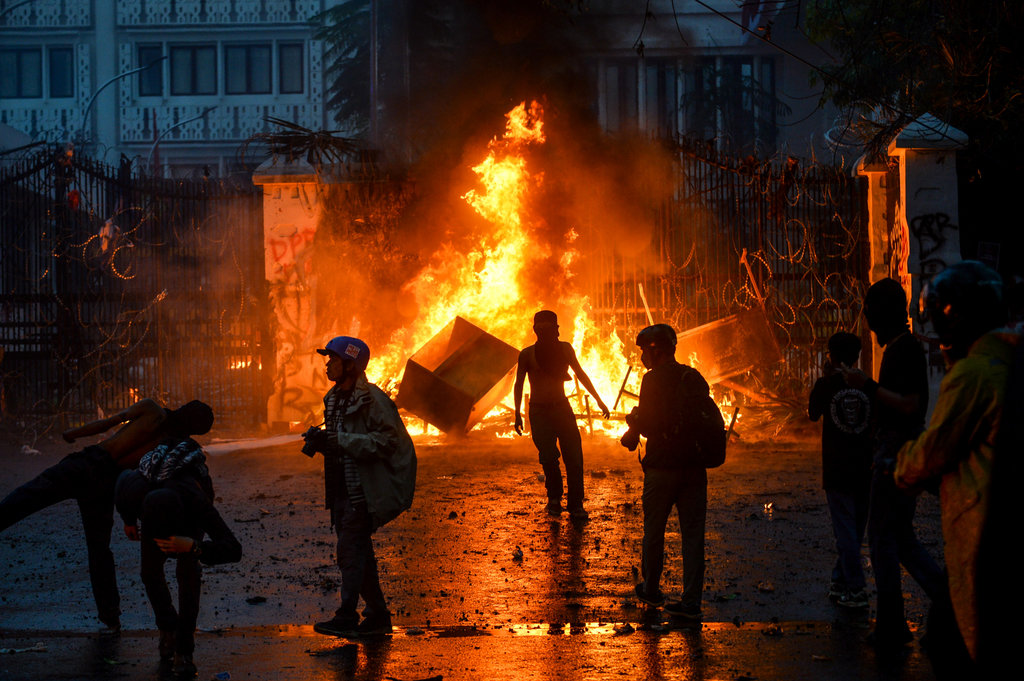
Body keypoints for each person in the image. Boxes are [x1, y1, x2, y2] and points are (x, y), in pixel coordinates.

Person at [0, 398, 214, 632]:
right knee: (99, 547)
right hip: (107, 483)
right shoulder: (172, 448)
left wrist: (73, 432)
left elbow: (107, 423)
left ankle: (111, 615)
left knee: (25, 498)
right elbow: (143, 480)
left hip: (86, 463)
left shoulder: (152, 410)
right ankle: (110, 617)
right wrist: (128, 518)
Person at [895, 261, 1016, 665]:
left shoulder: (973, 375)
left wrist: (901, 466)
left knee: (954, 646)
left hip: (982, 539)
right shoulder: (1009, 361)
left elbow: (929, 456)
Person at [838, 278, 945, 650]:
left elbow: (909, 405)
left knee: (882, 539)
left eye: (870, 312)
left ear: (881, 314)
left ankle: (891, 625)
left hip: (896, 454)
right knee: (900, 538)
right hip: (896, 450)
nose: (867, 321)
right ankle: (946, 599)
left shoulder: (903, 351)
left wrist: (866, 385)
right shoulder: (903, 347)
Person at [303, 336, 417, 638]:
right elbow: (343, 443)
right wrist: (322, 443)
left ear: (350, 364)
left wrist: (339, 441)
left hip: (364, 491)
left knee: (349, 552)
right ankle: (378, 616)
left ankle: (346, 616)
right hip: (341, 490)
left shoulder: (372, 400)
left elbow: (388, 442)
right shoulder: (333, 397)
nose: (328, 364)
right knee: (360, 554)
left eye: (334, 359)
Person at [115, 405, 241, 677]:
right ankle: (167, 629)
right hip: (156, 502)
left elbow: (234, 549)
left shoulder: (197, 501)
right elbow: (122, 488)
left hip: (187, 521)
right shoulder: (136, 488)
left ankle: (185, 648)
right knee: (149, 572)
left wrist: (194, 547)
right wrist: (128, 521)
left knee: (188, 575)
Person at [619, 323, 708, 621]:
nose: (643, 355)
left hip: (662, 467)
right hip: (694, 467)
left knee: (654, 530)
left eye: (645, 349)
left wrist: (634, 423)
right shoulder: (693, 376)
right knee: (693, 536)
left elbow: (649, 421)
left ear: (655, 350)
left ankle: (652, 589)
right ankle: (691, 601)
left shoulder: (652, 380)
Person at [513, 310, 610, 520]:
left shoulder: (565, 350)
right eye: (541, 329)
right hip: (539, 412)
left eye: (548, 329)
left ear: (555, 330)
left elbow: (581, 374)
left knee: (574, 456)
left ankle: (575, 504)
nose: (545, 333)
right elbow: (518, 384)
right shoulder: (527, 355)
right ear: (535, 330)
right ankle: (554, 500)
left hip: (561, 409)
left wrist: (599, 400)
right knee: (548, 458)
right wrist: (517, 414)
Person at [808, 331, 872, 609]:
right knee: (854, 530)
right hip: (864, 468)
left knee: (846, 531)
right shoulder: (868, 386)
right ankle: (840, 580)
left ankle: (855, 588)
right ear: (856, 356)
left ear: (830, 357)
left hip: (836, 470)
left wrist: (824, 379)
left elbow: (812, 413)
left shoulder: (826, 385)